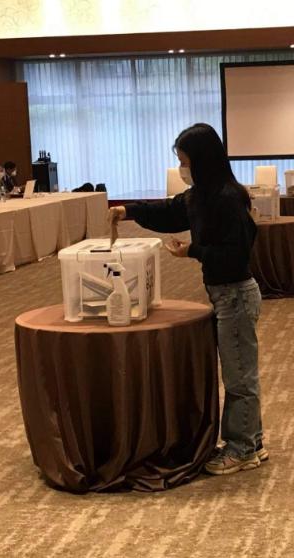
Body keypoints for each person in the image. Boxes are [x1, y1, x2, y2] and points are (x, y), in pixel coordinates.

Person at [110, 123, 265, 476]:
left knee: (239, 378)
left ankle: (242, 449)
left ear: (203, 160)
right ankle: (252, 441)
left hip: (236, 295)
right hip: (223, 294)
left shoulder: (227, 198)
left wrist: (193, 250)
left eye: (185, 162)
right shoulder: (200, 196)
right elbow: (169, 212)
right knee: (240, 372)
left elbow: (236, 254)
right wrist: (127, 211)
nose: (182, 169)